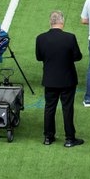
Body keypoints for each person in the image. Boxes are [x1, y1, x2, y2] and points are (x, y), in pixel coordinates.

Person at [36, 10, 84, 147]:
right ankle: (69, 138)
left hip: (50, 79)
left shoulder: (41, 38)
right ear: (62, 22)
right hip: (67, 79)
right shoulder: (69, 38)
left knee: (49, 108)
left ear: (50, 22)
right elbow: (77, 56)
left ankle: (48, 137)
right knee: (67, 108)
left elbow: (39, 57)